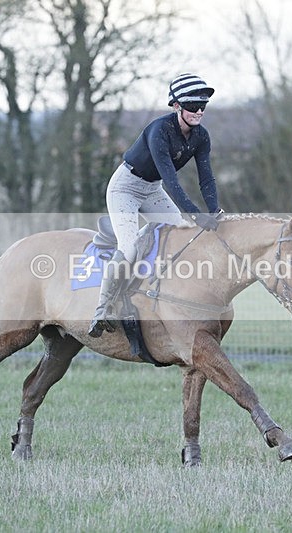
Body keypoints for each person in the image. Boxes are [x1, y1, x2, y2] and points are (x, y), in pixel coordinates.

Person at [88, 73, 222, 338]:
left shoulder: (201, 136)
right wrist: (196, 215)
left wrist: (213, 211)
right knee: (129, 247)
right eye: (193, 106)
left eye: (203, 106)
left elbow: (206, 177)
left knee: (182, 238)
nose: (199, 111)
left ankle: (166, 297)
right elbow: (172, 181)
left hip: (152, 189)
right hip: (125, 187)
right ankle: (102, 310)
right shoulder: (159, 130)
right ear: (176, 106)